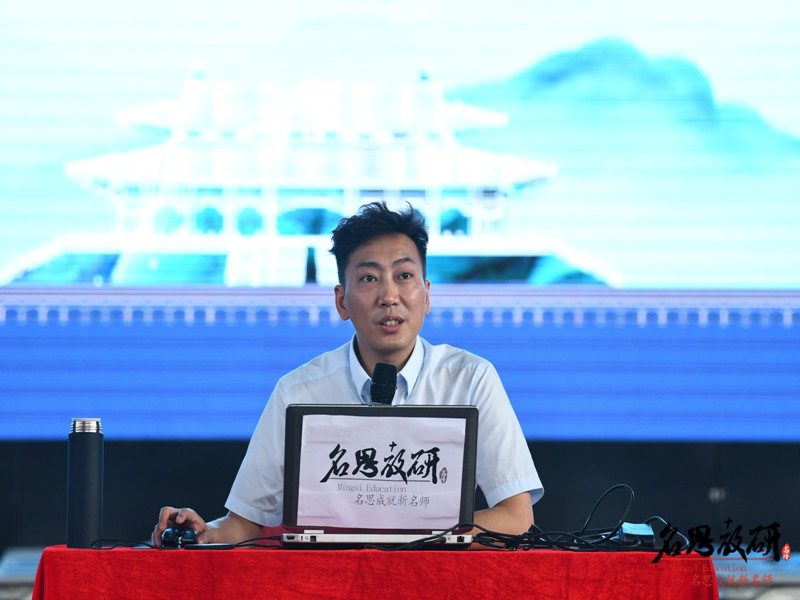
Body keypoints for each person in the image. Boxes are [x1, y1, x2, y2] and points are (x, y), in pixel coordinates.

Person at [152, 201, 543, 546]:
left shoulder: (472, 379)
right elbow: (244, 523)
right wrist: (202, 533)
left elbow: (516, 518)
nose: (389, 296)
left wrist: (409, 536)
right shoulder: (297, 391)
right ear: (341, 301)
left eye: (404, 276)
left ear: (426, 295)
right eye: (369, 278)